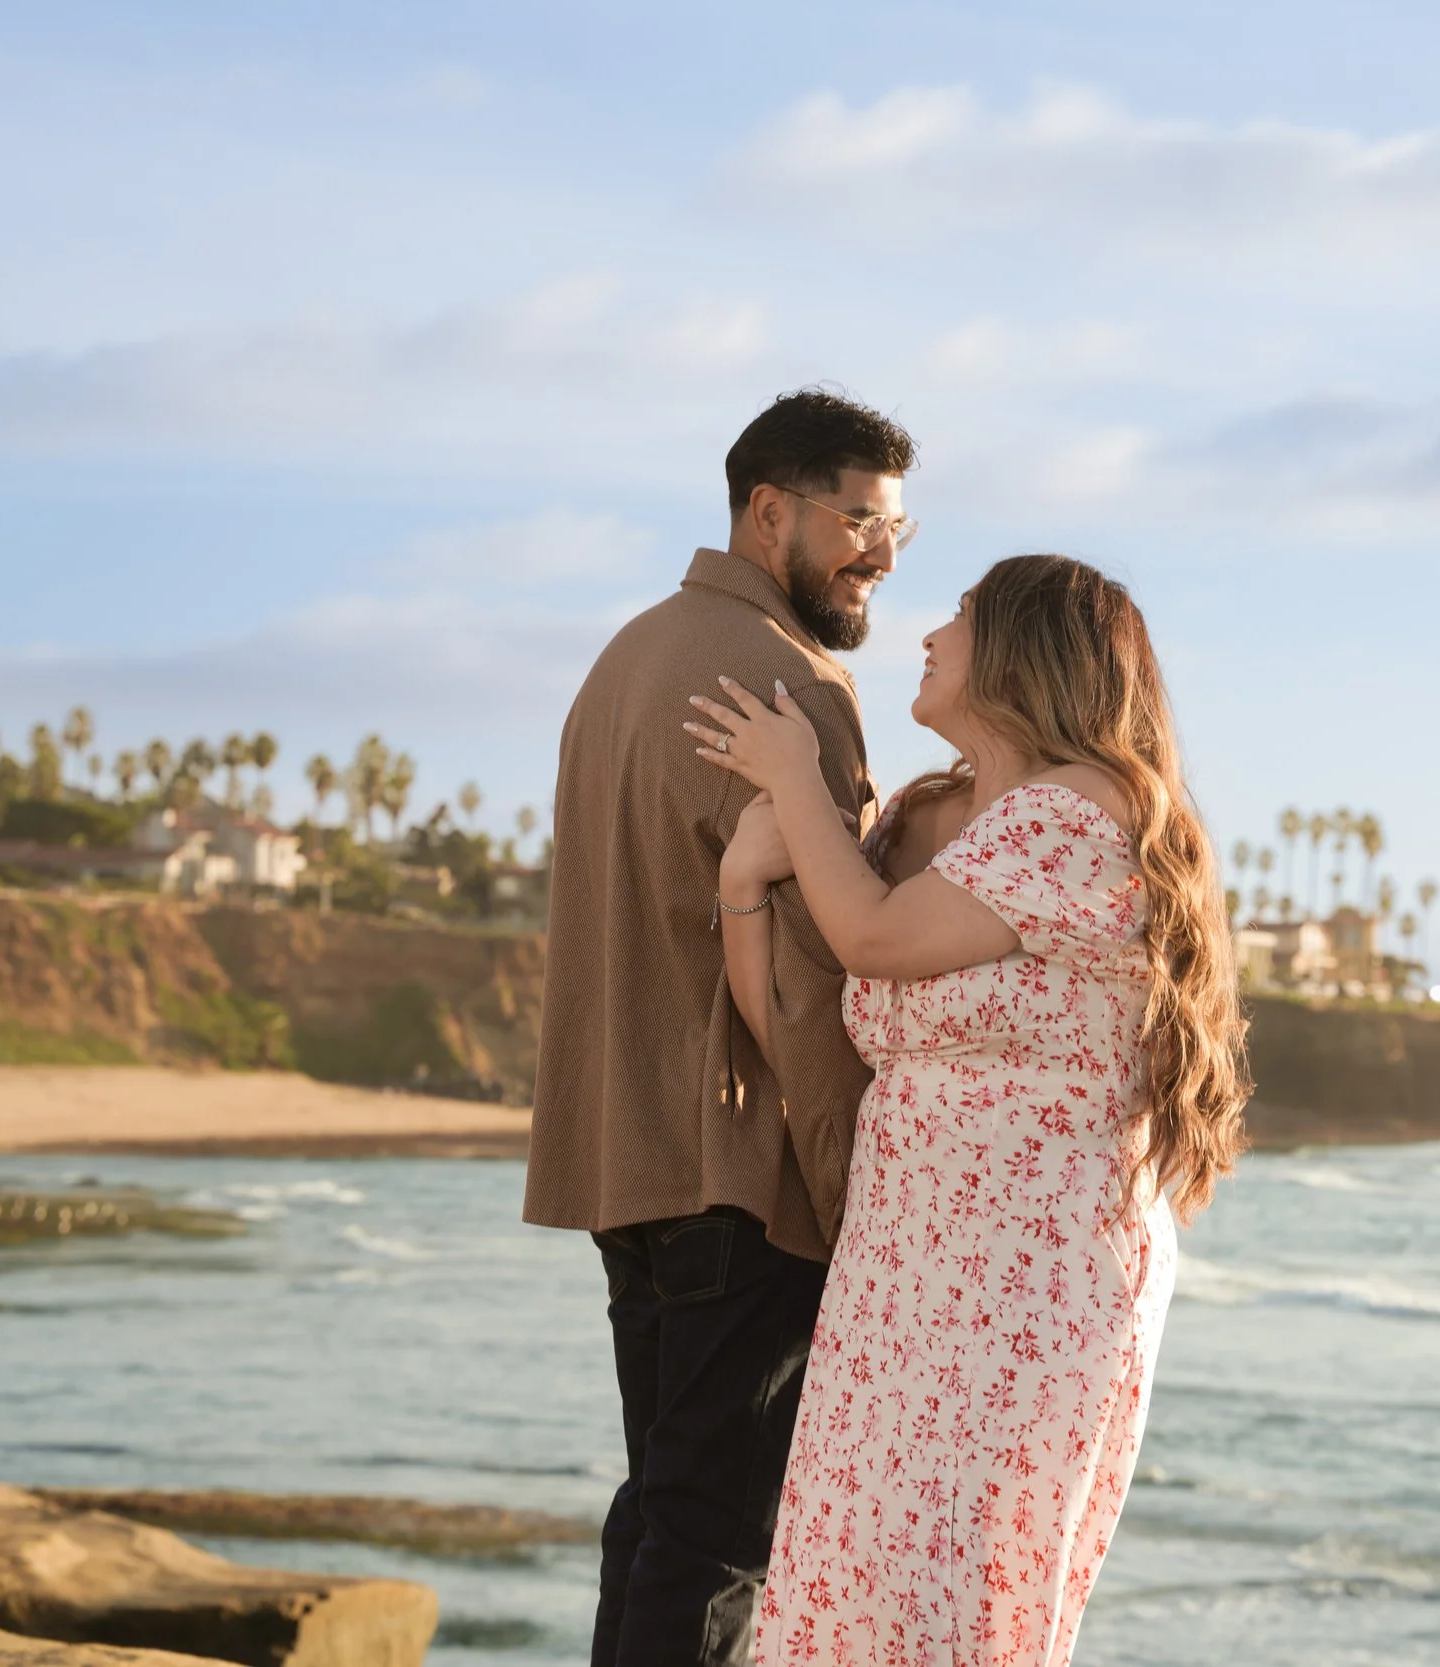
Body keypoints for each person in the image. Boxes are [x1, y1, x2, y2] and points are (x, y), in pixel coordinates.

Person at [683, 553, 1252, 1666]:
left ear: (1024, 655)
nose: (931, 631)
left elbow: (874, 941)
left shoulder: (1087, 807)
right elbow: (808, 1030)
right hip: (902, 1272)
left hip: (1026, 1282)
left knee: (952, 1596)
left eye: (961, 614)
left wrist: (795, 778)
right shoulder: (944, 821)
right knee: (853, 1583)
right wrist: (744, 885)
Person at [524, 388, 919, 1666]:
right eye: (858, 519)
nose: (881, 554)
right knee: (719, 1534)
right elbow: (811, 974)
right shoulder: (787, 685)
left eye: (897, 529)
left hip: (624, 1156)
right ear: (770, 511)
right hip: (739, 1162)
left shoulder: (630, 653)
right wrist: (854, 1176)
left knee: (660, 1509)